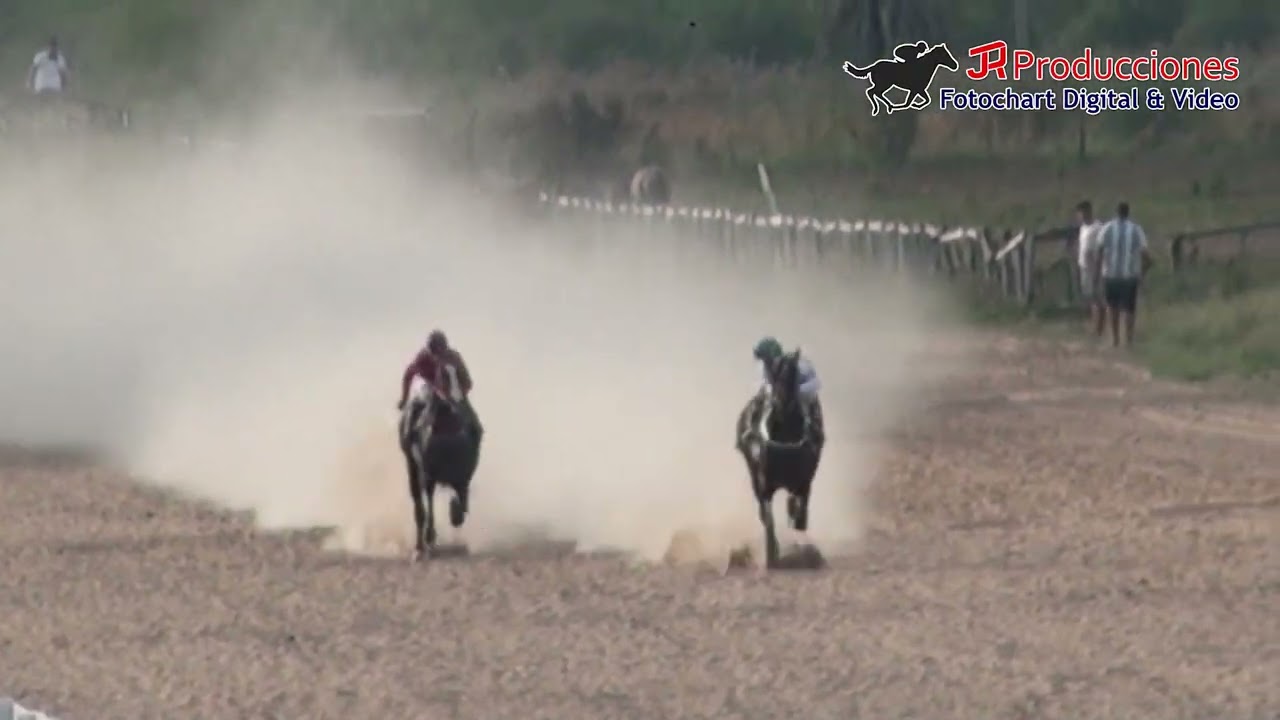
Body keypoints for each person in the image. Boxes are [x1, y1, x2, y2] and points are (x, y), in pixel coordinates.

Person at [396, 330, 482, 436]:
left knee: (477, 428)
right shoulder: (423, 357)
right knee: (429, 399)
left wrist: (461, 393)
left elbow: (465, 379)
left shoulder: (454, 357)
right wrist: (404, 398)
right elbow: (408, 375)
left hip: (451, 391)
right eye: (435, 351)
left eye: (440, 350)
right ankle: (416, 429)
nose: (438, 355)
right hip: (428, 385)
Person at [1094, 201, 1153, 348]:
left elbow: (1099, 251)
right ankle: (1129, 339)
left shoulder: (1107, 228)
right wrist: (1142, 273)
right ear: (1128, 213)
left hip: (1111, 275)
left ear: (1116, 212)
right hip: (1129, 276)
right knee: (1129, 309)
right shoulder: (1135, 229)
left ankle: (1115, 339)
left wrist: (1098, 271)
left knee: (1112, 307)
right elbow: (1146, 255)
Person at [752, 336, 824, 442]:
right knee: (760, 403)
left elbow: (816, 383)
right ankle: (752, 433)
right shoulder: (764, 366)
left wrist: (797, 392)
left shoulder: (802, 366)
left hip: (801, 395)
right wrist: (769, 392)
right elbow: (764, 382)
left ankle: (815, 435)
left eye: (767, 359)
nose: (766, 363)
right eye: (764, 360)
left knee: (808, 409)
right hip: (777, 396)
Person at [1075, 200, 1105, 337]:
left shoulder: (1097, 228)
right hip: (1084, 266)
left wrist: (1097, 268)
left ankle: (1098, 329)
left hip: (1094, 267)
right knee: (1090, 297)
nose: (1080, 216)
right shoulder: (1083, 228)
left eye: (1082, 213)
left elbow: (1100, 249)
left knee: (1096, 298)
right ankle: (1095, 326)